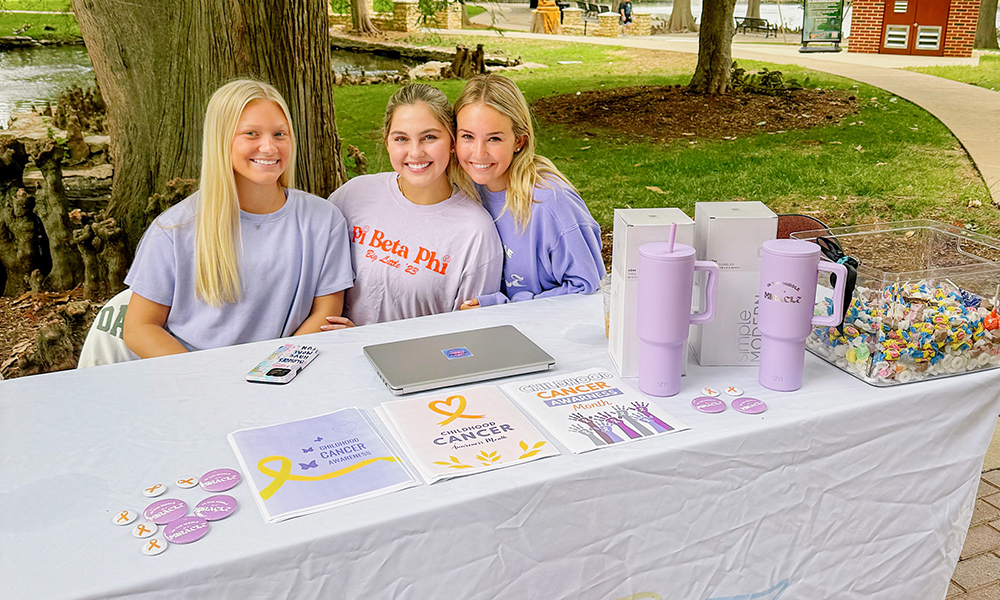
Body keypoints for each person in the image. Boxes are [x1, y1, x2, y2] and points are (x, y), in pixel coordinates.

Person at [123, 79, 354, 357]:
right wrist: (206, 379)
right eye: (251, 134)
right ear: (221, 140)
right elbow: (140, 327)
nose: (269, 147)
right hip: (195, 375)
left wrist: (271, 372)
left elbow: (326, 314)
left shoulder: (324, 220)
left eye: (279, 134)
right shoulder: (174, 229)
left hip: (285, 371)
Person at [328, 83, 502, 326]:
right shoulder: (353, 196)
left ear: (452, 142)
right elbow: (316, 282)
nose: (415, 152)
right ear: (387, 141)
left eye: (429, 137)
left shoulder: (475, 231)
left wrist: (365, 338)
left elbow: (470, 331)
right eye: (401, 138)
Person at [452, 74, 605, 309]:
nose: (479, 153)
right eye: (467, 136)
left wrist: (503, 306)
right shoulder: (464, 191)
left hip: (544, 327)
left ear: (519, 141)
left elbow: (587, 288)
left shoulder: (550, 202)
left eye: (494, 138)